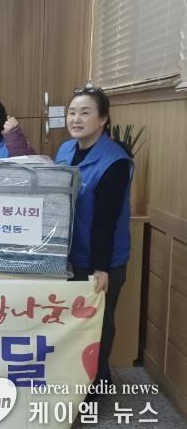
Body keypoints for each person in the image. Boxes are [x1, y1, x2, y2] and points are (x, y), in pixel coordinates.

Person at [55, 83, 133, 391]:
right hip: (68, 254)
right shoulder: (65, 150)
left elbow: (106, 221)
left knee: (98, 325)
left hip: (101, 259)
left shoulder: (114, 161)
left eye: (85, 113)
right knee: (73, 324)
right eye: (72, 112)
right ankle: (76, 380)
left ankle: (98, 383)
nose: (76, 119)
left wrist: (101, 267)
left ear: (102, 119)